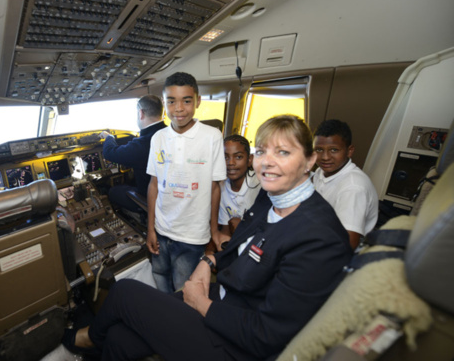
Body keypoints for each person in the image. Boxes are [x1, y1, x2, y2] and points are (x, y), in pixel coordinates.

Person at [62, 114, 352, 361]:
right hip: (229, 300)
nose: (268, 163)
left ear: (310, 160)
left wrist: (201, 303)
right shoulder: (271, 198)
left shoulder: (319, 239)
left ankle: (88, 337)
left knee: (124, 292)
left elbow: (266, 335)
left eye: (284, 152)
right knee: (119, 339)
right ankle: (101, 340)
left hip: (237, 346)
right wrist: (208, 262)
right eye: (262, 152)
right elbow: (238, 245)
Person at [146, 72, 226, 293]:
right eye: (171, 101)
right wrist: (150, 228)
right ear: (164, 103)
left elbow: (214, 188)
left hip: (193, 235)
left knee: (183, 289)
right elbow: (154, 185)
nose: (179, 108)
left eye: (186, 100)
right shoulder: (158, 138)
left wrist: (212, 232)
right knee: (160, 276)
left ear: (198, 101)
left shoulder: (212, 137)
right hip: (162, 230)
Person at [313, 119, 379, 249]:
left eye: (334, 150)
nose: (325, 157)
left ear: (349, 151)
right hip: (319, 236)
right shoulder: (321, 171)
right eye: (319, 150)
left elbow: (347, 245)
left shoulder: (353, 188)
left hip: (337, 253)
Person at [99, 95, 166, 213]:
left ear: (141, 113)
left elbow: (109, 153)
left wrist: (109, 137)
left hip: (152, 201)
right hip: (170, 197)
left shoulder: (143, 144)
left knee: (113, 191)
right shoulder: (171, 133)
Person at [216, 134, 261, 247]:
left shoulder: (260, 185)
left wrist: (242, 226)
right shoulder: (221, 186)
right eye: (225, 157)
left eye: (238, 157)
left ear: (250, 160)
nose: (231, 163)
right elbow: (226, 228)